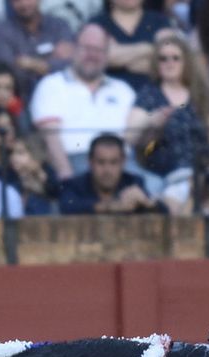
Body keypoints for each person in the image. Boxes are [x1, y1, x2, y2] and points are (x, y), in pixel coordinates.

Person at [30, 24, 135, 181]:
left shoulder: (123, 90)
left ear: (107, 55)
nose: (91, 55)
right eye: (86, 48)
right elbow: (50, 138)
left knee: (156, 187)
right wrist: (66, 174)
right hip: (75, 163)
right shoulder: (51, 85)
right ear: (74, 49)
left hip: (122, 165)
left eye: (98, 50)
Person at [130, 31, 209, 180]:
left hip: (199, 174)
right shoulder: (147, 94)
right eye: (163, 58)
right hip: (158, 175)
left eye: (176, 58)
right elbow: (130, 136)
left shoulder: (202, 96)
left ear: (186, 62)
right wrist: (151, 121)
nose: (170, 63)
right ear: (157, 63)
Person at [0, 0, 73, 97]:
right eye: (17, 1)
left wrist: (29, 63)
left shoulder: (59, 27)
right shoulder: (1, 33)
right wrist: (50, 63)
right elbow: (8, 73)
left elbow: (69, 65)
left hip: (60, 96)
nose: (24, 4)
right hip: (20, 100)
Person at [57, 131, 155, 212]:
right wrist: (112, 206)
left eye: (113, 162)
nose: (107, 170)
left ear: (123, 161)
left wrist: (145, 202)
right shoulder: (74, 185)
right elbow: (67, 207)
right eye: (101, 162)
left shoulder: (134, 182)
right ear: (90, 162)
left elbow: (157, 210)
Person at [90, 0, 169, 92]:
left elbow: (169, 58)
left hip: (154, 97)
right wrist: (148, 48)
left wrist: (119, 60)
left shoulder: (160, 22)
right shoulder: (97, 23)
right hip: (107, 97)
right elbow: (100, 56)